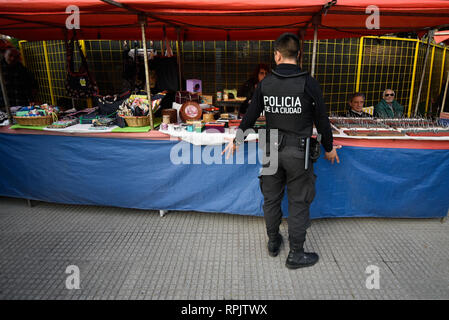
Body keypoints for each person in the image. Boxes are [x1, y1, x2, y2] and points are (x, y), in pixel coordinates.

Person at [223, 33, 340, 269]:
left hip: (271, 146)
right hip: (299, 150)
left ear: (277, 55)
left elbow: (251, 115)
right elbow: (322, 121)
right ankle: (296, 253)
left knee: (271, 198)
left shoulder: (266, 83)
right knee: (298, 201)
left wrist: (237, 139)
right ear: (299, 55)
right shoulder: (309, 83)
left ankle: (274, 243)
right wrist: (328, 147)